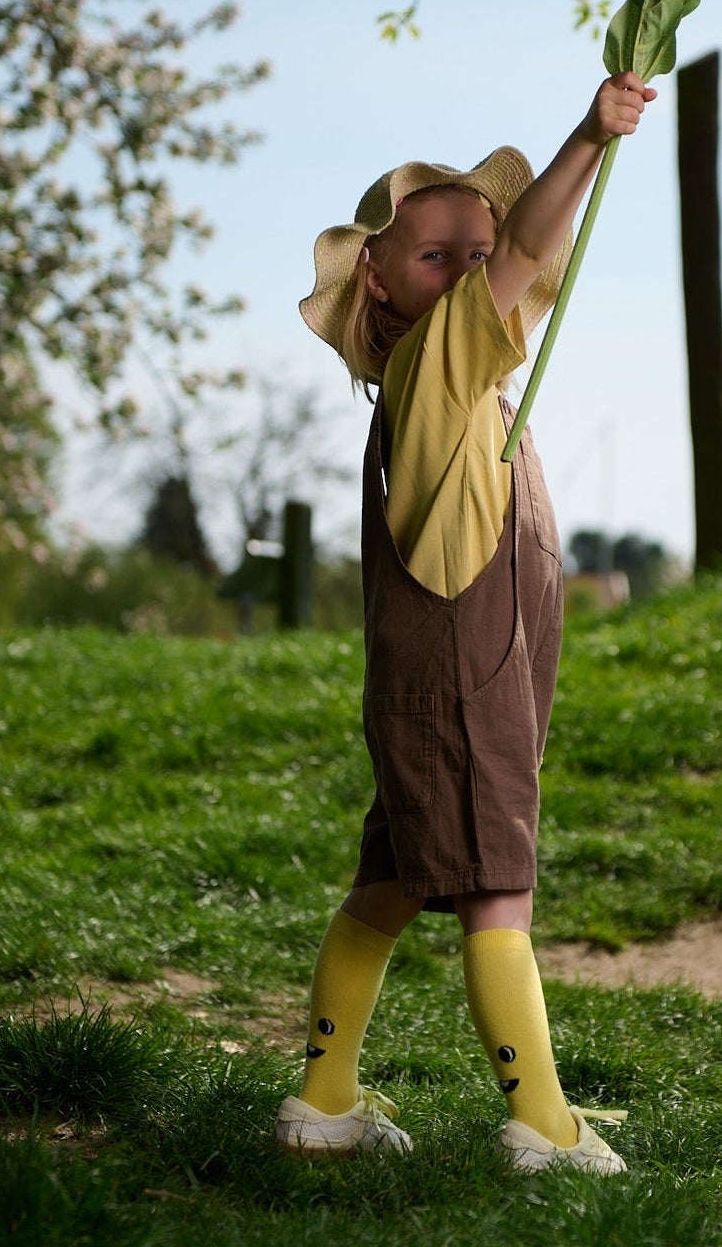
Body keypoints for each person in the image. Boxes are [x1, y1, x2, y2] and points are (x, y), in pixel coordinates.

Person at [277, 71, 657, 1173]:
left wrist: (565, 187)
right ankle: (540, 1125)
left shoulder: (463, 383)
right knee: (498, 880)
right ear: (381, 291)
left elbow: (527, 256)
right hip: (457, 665)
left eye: (476, 255)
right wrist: (588, 137)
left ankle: (324, 1100)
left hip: (439, 663)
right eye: (435, 255)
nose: (471, 272)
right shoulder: (437, 365)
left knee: (395, 875)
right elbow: (536, 247)